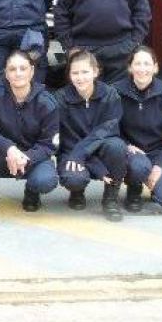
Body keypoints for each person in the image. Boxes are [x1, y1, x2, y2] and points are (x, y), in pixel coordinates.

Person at [0, 49, 59, 213]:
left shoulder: (47, 102)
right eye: (12, 69)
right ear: (6, 73)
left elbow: (49, 145)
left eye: (23, 68)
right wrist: (9, 147)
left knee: (46, 180)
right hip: (0, 156)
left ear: (32, 71)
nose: (18, 73)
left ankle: (32, 192)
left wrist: (26, 157)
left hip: (30, 159)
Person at [112, 46, 162, 212]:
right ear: (130, 67)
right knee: (139, 166)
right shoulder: (115, 92)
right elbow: (109, 128)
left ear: (155, 67)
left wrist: (160, 165)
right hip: (133, 153)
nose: (142, 69)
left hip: (160, 153)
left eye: (147, 64)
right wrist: (125, 145)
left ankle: (159, 185)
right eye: (137, 63)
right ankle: (134, 188)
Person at [55, 49, 126, 222]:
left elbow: (106, 131)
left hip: (99, 148)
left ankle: (110, 198)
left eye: (85, 72)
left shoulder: (110, 95)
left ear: (95, 71)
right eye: (75, 73)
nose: (80, 77)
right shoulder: (61, 98)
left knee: (116, 146)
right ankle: (77, 192)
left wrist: (82, 154)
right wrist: (95, 167)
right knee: (73, 178)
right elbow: (66, 139)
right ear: (69, 75)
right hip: (72, 151)